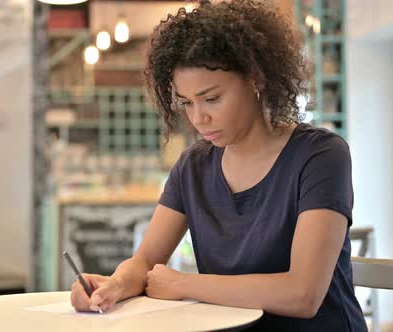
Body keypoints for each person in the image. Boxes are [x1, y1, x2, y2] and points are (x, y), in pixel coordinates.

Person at [70, 0, 368, 331]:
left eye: (211, 98)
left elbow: (302, 294)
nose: (199, 118)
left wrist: (185, 285)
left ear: (256, 80)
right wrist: (116, 285)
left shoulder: (321, 156)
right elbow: (144, 262)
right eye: (186, 103)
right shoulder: (193, 167)